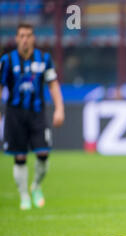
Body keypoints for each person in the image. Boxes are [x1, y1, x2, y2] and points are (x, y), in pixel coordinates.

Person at [0, 23, 65, 210]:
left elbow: (53, 85)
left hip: (37, 113)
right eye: (21, 35)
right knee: (19, 157)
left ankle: (36, 185)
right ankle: (24, 196)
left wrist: (60, 109)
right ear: (16, 38)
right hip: (15, 114)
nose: (25, 39)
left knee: (43, 154)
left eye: (28, 35)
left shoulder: (44, 59)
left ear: (33, 38)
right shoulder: (7, 61)